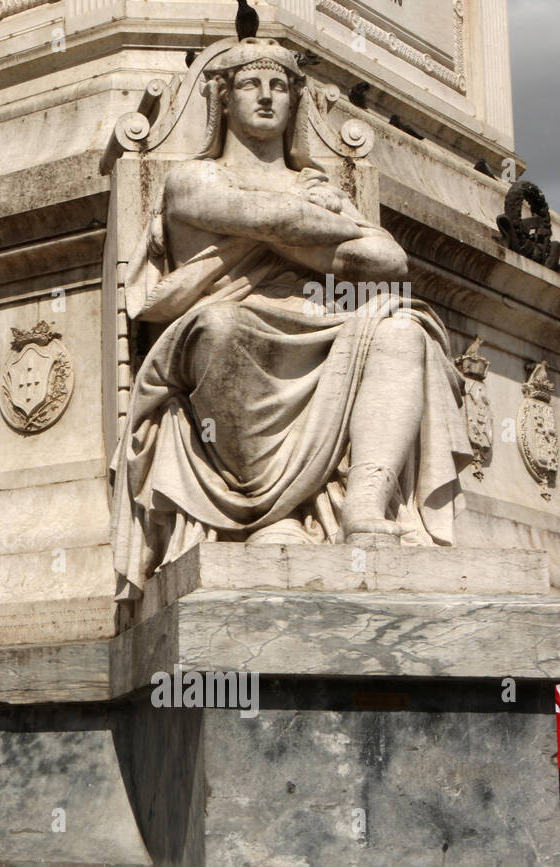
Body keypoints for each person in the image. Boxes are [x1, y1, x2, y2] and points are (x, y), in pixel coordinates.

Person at [109, 38, 470, 602]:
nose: (267, 97)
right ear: (222, 100)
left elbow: (390, 260)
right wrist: (319, 227)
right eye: (251, 85)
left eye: (279, 86)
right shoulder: (193, 179)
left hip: (321, 317)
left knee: (402, 327)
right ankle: (263, 510)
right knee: (224, 327)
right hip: (223, 321)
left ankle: (366, 504)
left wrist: (299, 231)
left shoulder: (316, 187)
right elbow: (258, 213)